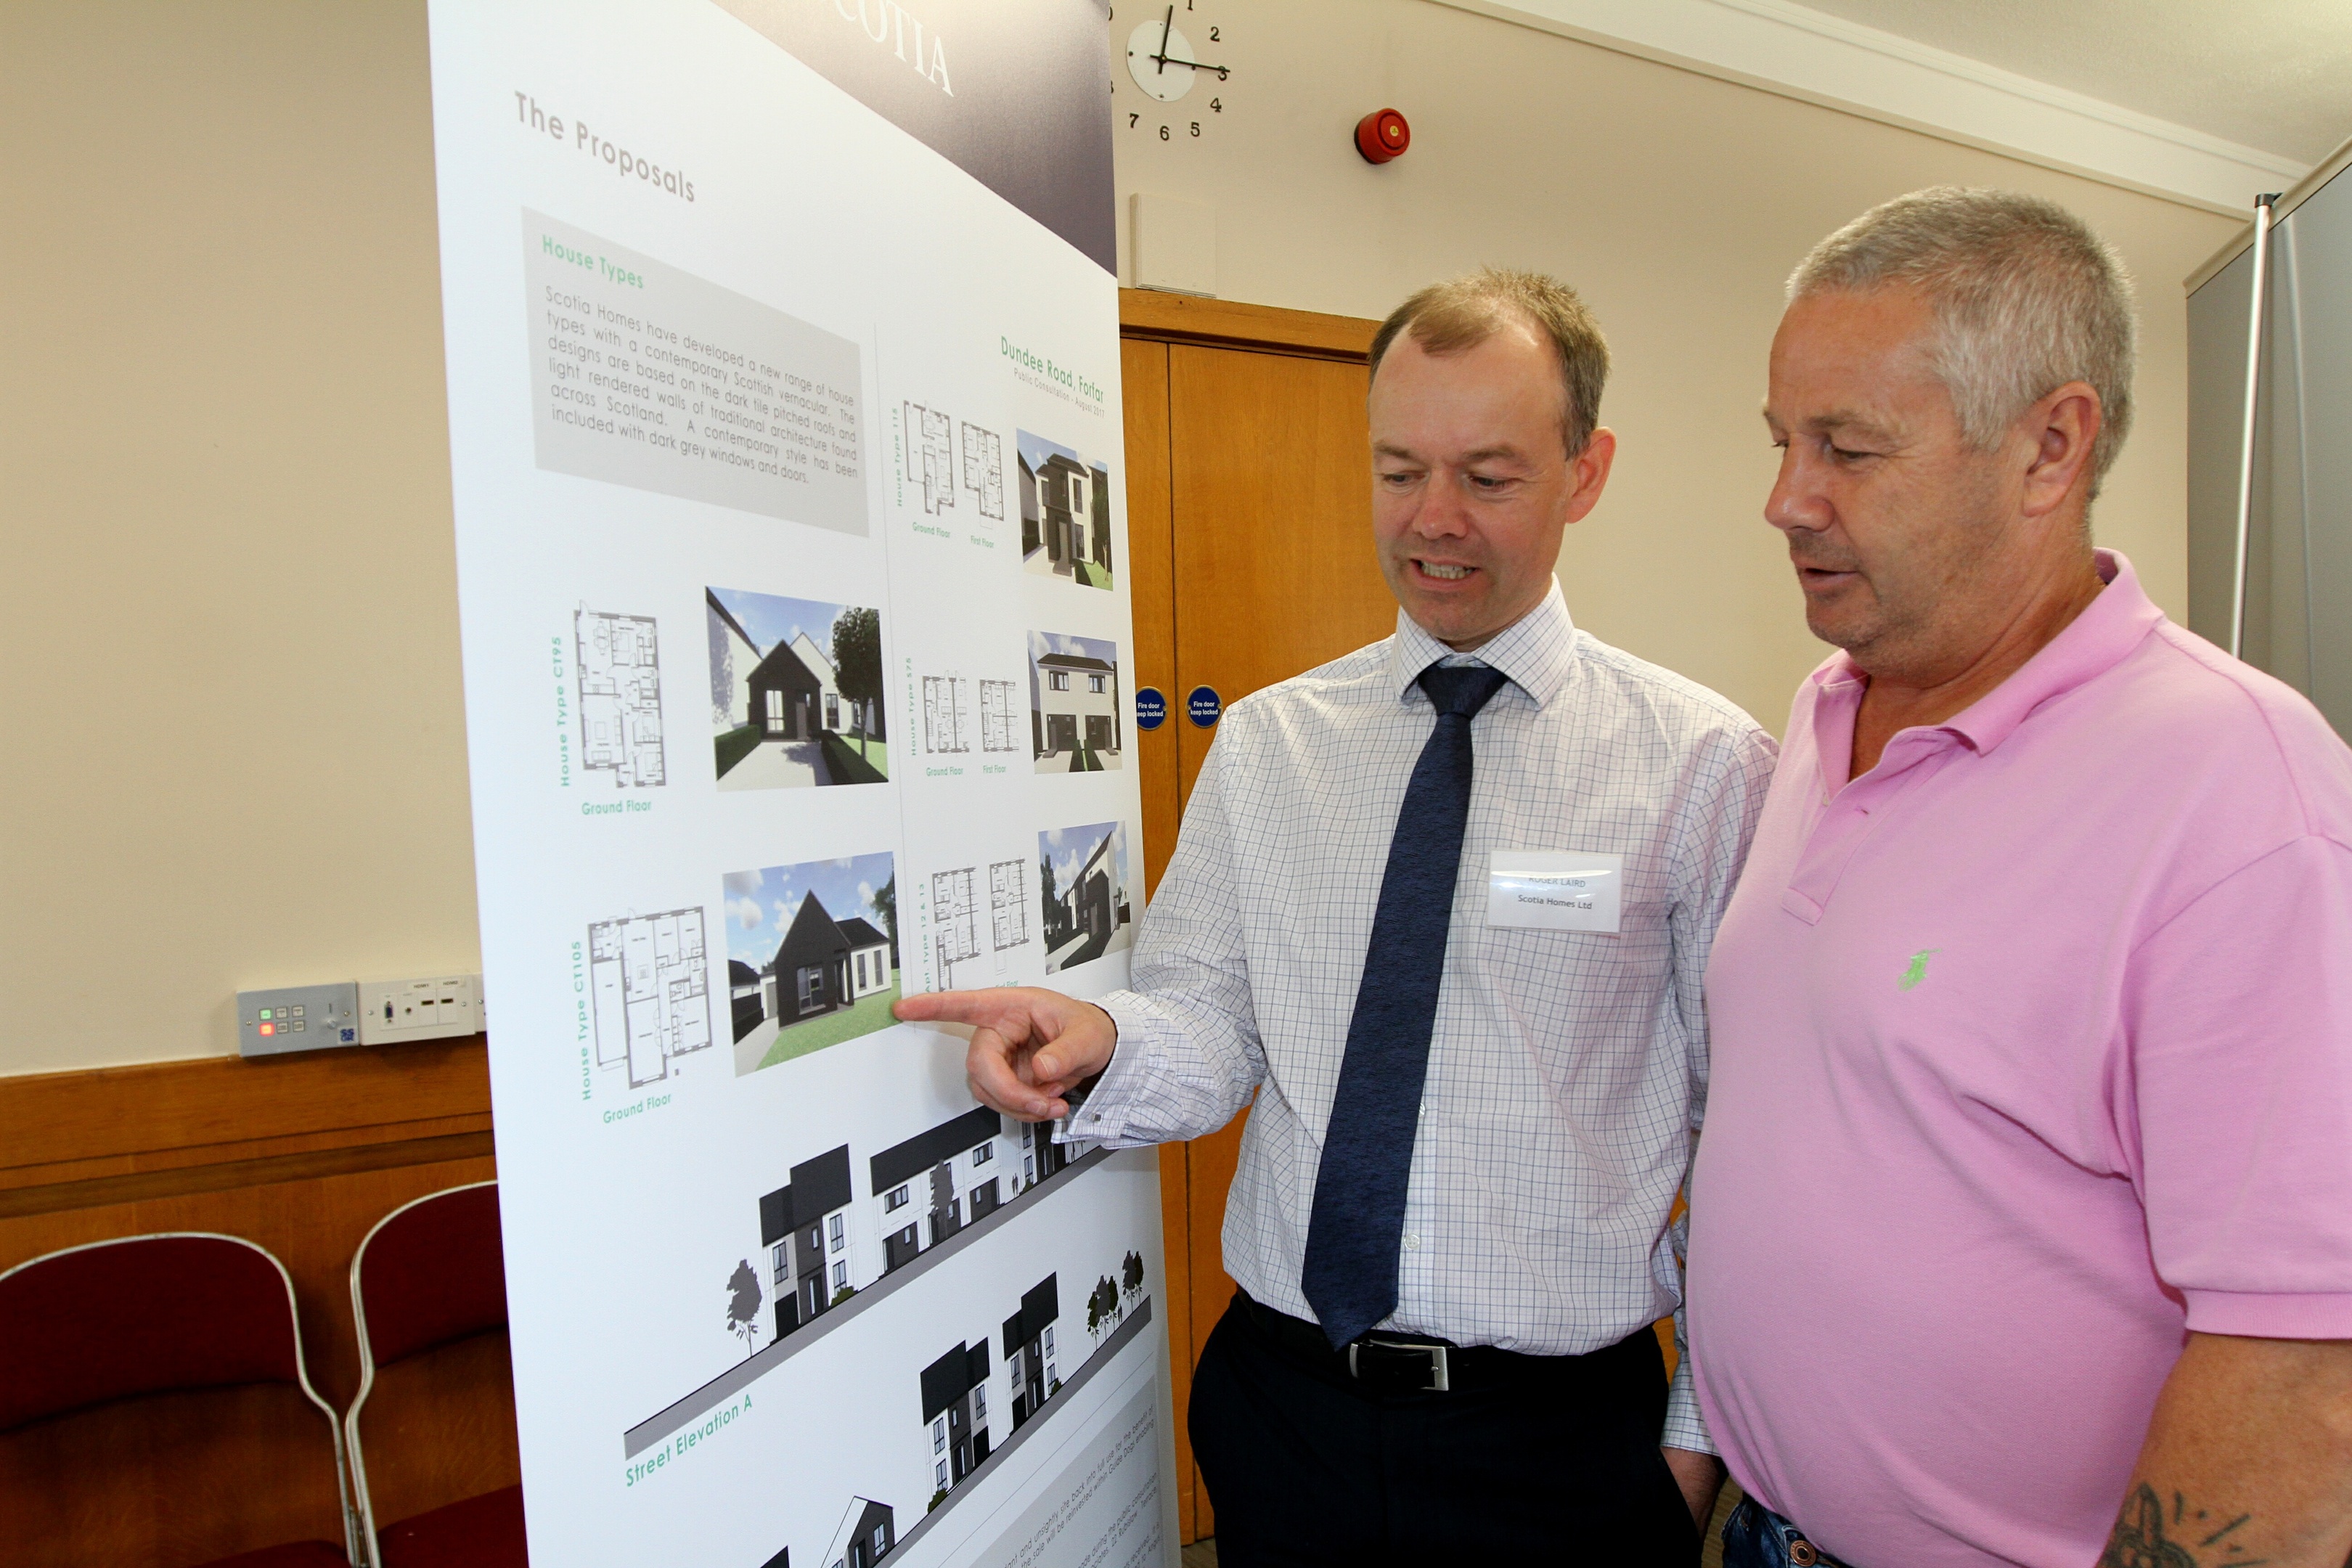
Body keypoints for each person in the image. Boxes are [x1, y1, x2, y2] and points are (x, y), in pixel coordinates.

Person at [897, 268, 1775, 1561]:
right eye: (1399, 468)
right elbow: (1212, 1023)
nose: (1434, 521)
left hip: (1559, 1446)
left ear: (1584, 475)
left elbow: (1748, 1138)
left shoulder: (1704, 767)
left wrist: (1690, 1457)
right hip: (1287, 1405)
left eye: (1489, 476)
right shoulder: (1269, 744)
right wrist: (1102, 1033)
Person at [1691, 187, 2352, 1568]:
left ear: (2052, 445)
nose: (1783, 500)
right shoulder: (1822, 719)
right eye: (1782, 442)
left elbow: (2302, 1375)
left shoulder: (2239, 793)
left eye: (1848, 449)